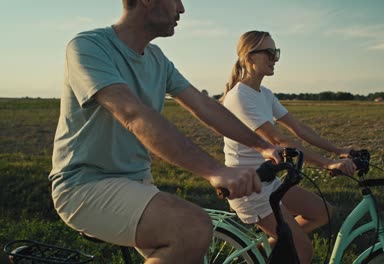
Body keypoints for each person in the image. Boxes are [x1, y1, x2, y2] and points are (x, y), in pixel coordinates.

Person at [48, 2, 283, 264]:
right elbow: (132, 113)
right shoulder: (89, 46)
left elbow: (203, 105)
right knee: (192, 229)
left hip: (137, 182)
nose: (181, 9)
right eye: (176, 0)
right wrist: (215, 170)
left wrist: (262, 146)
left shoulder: (157, 58)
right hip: (84, 185)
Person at [220, 30, 357, 263]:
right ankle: (282, 246)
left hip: (269, 180)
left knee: (323, 212)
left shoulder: (264, 93)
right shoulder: (240, 97)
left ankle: (264, 252)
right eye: (270, 53)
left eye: (277, 53)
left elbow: (299, 128)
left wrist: (337, 150)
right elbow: (279, 141)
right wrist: (326, 164)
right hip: (250, 187)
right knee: (303, 251)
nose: (275, 59)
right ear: (249, 57)